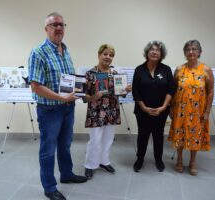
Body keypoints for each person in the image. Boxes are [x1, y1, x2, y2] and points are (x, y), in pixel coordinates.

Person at [28, 12, 87, 200]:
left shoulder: (65, 50)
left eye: (62, 24)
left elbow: (69, 81)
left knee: (65, 144)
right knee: (48, 149)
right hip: (50, 110)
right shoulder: (38, 53)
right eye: (54, 25)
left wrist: (80, 91)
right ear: (46, 29)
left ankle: (67, 174)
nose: (59, 28)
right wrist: (61, 99)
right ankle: (49, 187)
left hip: (67, 108)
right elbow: (36, 86)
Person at [83, 44, 132, 179]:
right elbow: (84, 97)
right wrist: (94, 97)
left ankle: (104, 161)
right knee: (95, 140)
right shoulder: (90, 74)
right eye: (105, 54)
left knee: (108, 139)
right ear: (99, 55)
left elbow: (120, 94)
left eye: (111, 55)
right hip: (96, 112)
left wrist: (125, 91)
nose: (108, 57)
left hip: (111, 111)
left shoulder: (116, 75)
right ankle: (90, 165)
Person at [168, 40, 214, 176]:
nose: (191, 52)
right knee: (180, 135)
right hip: (180, 110)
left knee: (195, 136)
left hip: (197, 111)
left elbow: (210, 91)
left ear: (200, 52)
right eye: (188, 49)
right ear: (184, 53)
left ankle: (193, 162)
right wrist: (171, 108)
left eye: (194, 49)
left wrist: (207, 112)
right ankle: (180, 159)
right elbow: (173, 90)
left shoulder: (206, 70)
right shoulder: (179, 69)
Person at [132, 41, 175, 172]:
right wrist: (144, 107)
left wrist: (163, 107)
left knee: (158, 135)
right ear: (147, 52)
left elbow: (171, 90)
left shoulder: (166, 69)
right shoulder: (139, 69)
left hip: (160, 111)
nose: (155, 52)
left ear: (161, 54)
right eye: (152, 49)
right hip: (142, 111)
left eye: (158, 50)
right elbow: (135, 90)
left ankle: (158, 159)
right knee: (142, 135)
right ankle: (140, 159)